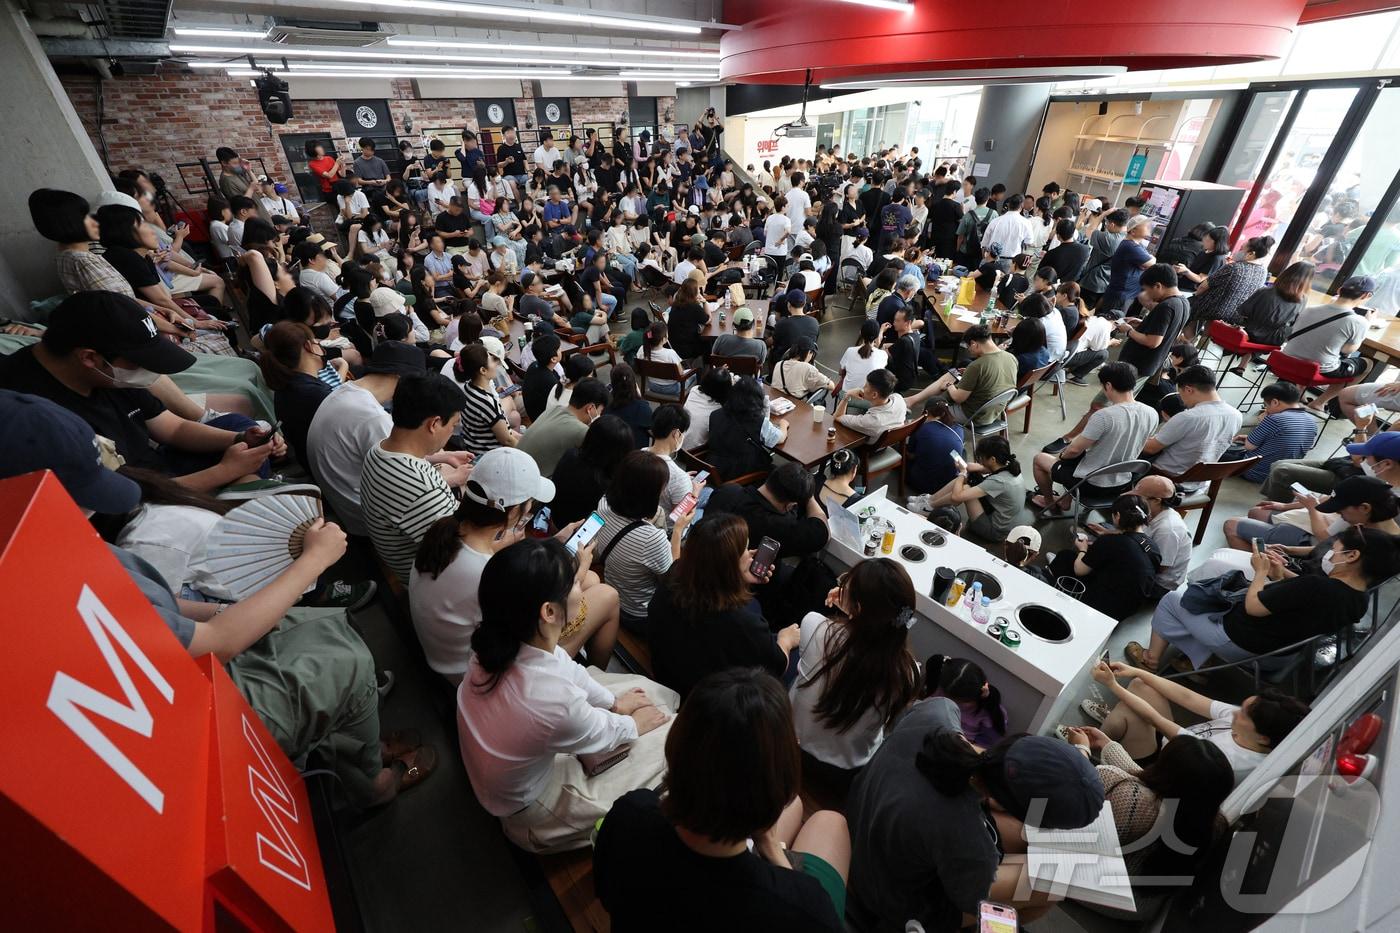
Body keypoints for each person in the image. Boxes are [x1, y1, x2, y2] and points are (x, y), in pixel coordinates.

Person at [0, 389, 438, 808]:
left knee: (316, 624)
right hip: (176, 722)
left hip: (172, 663)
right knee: (345, 658)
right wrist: (313, 561)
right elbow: (211, 643)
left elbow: (159, 608)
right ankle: (372, 783)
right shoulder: (68, 565)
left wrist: (239, 611)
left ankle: (344, 733)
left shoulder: (65, 546)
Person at [455, 537, 675, 853]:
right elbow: (599, 730)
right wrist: (635, 725)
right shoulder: (549, 699)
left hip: (519, 767)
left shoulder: (496, 644)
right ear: (548, 611)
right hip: (532, 808)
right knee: (672, 735)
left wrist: (615, 704)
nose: (579, 588)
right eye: (573, 584)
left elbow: (564, 666)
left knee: (647, 695)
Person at [593, 668, 848, 932]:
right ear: (779, 785)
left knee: (797, 808)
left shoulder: (631, 814)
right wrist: (774, 853)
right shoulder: (803, 907)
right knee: (830, 822)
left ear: (677, 746)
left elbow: (607, 892)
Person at [846, 697, 1104, 931]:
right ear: (1008, 806)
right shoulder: (969, 841)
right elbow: (971, 901)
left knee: (1022, 846)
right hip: (888, 898)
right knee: (1055, 882)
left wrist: (1077, 753)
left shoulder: (939, 711)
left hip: (862, 821)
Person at [0, 292, 277, 492]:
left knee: (239, 426)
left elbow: (174, 428)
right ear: (89, 358)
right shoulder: (32, 416)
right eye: (138, 362)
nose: (147, 371)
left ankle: (241, 489)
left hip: (155, 467)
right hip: (133, 499)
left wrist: (241, 440)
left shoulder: (107, 374)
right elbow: (128, 497)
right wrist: (224, 472)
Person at [411, 447, 619, 684]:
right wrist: (580, 569)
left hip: (448, 655)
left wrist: (555, 542)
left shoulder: (446, 529)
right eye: (529, 502)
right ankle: (596, 681)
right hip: (481, 676)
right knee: (607, 594)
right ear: (512, 513)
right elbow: (544, 615)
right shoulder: (489, 574)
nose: (530, 507)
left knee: (591, 580)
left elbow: (494, 555)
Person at [1130, 525, 1400, 674]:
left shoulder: (1317, 585)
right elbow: (1304, 599)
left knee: (1172, 599)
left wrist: (1260, 573)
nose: (1330, 554)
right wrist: (1280, 572)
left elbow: (1254, 607)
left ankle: (1151, 659)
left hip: (1243, 643)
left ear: (1352, 557)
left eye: (1336, 550)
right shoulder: (1359, 600)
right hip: (1282, 654)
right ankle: (1198, 659)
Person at [791, 559, 920, 792]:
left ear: (857, 608)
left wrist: (850, 614)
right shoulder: (908, 672)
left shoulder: (816, 626)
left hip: (796, 747)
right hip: (849, 771)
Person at [648, 514, 793, 699]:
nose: (750, 554)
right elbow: (777, 666)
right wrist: (786, 640)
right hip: (707, 700)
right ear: (728, 564)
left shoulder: (676, 573)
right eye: (745, 549)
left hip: (666, 673)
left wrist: (738, 577)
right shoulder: (744, 619)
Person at [1083, 662, 1309, 780]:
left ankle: (1087, 742)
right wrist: (1137, 672)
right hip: (1176, 745)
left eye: (1243, 714)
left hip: (1162, 768)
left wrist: (1112, 685)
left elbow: (1155, 718)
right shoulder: (1250, 727)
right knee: (1142, 685)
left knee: (1129, 710)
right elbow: (1189, 698)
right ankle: (1109, 730)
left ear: (1262, 737)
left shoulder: (1226, 760)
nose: (1236, 712)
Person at [359, 373, 471, 582]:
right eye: (453, 425)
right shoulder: (422, 489)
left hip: (404, 551)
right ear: (434, 424)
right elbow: (464, 553)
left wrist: (443, 457)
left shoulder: (380, 449)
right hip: (429, 578)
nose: (452, 431)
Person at [1032, 362, 1156, 511]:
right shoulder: (1151, 413)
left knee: (1041, 460)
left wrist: (1060, 457)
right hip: (1122, 483)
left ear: (1108, 386)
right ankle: (1065, 502)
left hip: (1091, 485)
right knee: (1081, 459)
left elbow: (1073, 450)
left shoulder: (1104, 416)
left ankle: (1048, 501)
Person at [593, 450, 696, 628]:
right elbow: (673, 581)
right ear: (650, 494)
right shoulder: (651, 539)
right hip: (638, 614)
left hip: (613, 589)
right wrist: (678, 530)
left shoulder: (603, 503)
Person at [1051, 494, 1161, 619]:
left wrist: (1083, 549)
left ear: (1118, 516)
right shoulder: (1153, 547)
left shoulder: (1109, 542)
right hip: (1127, 610)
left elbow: (1079, 570)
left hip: (1098, 607)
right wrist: (1110, 533)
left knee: (1065, 557)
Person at [259, 321, 341, 475]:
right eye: (317, 342)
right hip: (338, 474)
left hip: (319, 472)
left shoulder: (286, 389)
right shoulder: (316, 395)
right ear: (308, 347)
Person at [1142, 364, 1242, 489]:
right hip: (1201, 481)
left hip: (1166, 477)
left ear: (1189, 390)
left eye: (1180, 393)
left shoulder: (1189, 417)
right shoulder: (1236, 415)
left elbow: (1150, 449)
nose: (1182, 401)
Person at [1281, 275, 1373, 409]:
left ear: (1340, 290)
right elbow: (1348, 350)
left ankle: (1300, 392)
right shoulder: (1359, 322)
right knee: (1368, 364)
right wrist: (1368, 323)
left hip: (1286, 360)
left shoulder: (1310, 309)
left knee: (1315, 349)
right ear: (1366, 295)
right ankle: (1319, 403)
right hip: (1319, 370)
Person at [926, 435, 1032, 542]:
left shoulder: (998, 481)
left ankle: (928, 507)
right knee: (968, 480)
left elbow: (956, 496)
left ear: (993, 459)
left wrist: (962, 473)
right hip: (1004, 522)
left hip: (994, 531)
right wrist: (980, 468)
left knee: (965, 486)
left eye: (982, 458)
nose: (980, 461)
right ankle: (930, 500)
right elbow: (991, 470)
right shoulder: (1011, 467)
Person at [908, 324, 1016, 426]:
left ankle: (917, 428)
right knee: (953, 376)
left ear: (974, 344)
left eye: (969, 346)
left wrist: (949, 386)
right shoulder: (1011, 358)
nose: (969, 350)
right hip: (993, 412)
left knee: (934, 403)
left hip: (973, 415)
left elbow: (958, 398)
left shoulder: (977, 365)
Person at [1115, 264, 1191, 394]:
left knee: (1104, 403)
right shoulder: (1184, 302)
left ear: (1158, 286)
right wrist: (1144, 324)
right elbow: (1168, 331)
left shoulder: (1166, 306)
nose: (1148, 295)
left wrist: (1128, 330)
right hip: (1147, 365)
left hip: (1137, 364)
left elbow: (1153, 342)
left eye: (1147, 289)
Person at [550, 415, 635, 526]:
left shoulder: (571, 455)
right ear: (619, 454)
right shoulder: (606, 484)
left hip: (555, 519)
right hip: (578, 533)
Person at [1227, 382, 1318, 483]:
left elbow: (1249, 447)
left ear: (1275, 402)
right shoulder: (1312, 421)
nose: (1266, 409)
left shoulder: (1274, 418)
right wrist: (1251, 438)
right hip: (1282, 474)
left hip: (1254, 472)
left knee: (1217, 452)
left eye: (1266, 405)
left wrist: (1262, 422)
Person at [518, 377, 609, 477]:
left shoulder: (556, 408)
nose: (599, 415)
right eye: (600, 411)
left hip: (516, 466)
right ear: (590, 408)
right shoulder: (581, 431)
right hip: (532, 482)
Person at [1186, 235, 1274, 337]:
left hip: (1216, 310)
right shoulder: (1263, 271)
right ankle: (1204, 340)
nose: (1238, 251)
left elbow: (1203, 286)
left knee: (1191, 305)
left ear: (1251, 254)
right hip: (1237, 315)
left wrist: (1195, 295)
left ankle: (1187, 341)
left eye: (1241, 249)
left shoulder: (1234, 267)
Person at [706, 375, 786, 480]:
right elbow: (779, 438)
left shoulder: (715, 414)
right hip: (738, 471)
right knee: (777, 471)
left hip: (715, 465)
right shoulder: (757, 421)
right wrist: (783, 425)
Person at [923, 655, 1008, 750]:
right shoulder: (935, 688)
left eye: (958, 703)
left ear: (976, 696)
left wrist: (964, 746)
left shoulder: (989, 712)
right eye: (947, 699)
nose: (951, 705)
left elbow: (989, 745)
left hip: (962, 750)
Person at [1236, 260, 1314, 351]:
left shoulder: (1264, 291)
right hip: (1274, 339)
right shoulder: (1303, 300)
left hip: (1248, 332)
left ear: (1286, 273)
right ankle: (1247, 359)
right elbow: (1293, 322)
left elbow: (1243, 311)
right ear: (1307, 282)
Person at [905, 399, 966, 496]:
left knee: (899, 449)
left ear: (926, 412)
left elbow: (910, 455)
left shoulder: (921, 428)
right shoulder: (959, 428)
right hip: (949, 486)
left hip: (923, 485)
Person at [834, 369, 907, 441]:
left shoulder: (870, 421)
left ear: (874, 395)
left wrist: (847, 395)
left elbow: (837, 417)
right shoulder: (899, 399)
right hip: (890, 442)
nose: (863, 388)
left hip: (863, 448)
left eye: (866, 386)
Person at [1078, 208, 1128, 307]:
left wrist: (1103, 214)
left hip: (1093, 282)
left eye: (1107, 223)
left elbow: (1089, 230)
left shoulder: (1109, 239)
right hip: (1107, 283)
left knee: (1082, 310)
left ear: (1112, 224)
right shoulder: (1127, 239)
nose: (1106, 226)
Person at [1171, 224, 1232, 294]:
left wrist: (1186, 271)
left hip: (1190, 290)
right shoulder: (1205, 251)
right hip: (1183, 284)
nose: (1204, 241)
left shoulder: (1216, 259)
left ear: (1217, 243)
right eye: (1205, 238)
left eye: (1208, 240)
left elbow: (1200, 279)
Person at [681, 365, 731, 449]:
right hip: (696, 453)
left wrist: (717, 374)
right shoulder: (719, 411)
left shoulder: (694, 390)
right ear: (726, 390)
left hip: (677, 445)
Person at [836, 319, 888, 397]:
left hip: (848, 394)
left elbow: (840, 372)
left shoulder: (850, 351)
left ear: (860, 332)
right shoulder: (882, 354)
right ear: (876, 337)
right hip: (868, 397)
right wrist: (881, 332)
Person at [773, 339, 834, 403]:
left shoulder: (779, 364)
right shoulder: (808, 368)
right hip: (797, 406)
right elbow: (832, 386)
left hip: (776, 402)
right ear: (809, 353)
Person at [770, 290, 820, 364]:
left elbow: (775, 342)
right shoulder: (814, 322)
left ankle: (772, 374)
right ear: (804, 303)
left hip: (784, 363)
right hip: (806, 362)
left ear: (789, 304)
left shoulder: (782, 323)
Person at [1040, 218, 1091, 284]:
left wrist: (1044, 257)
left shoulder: (1052, 253)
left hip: (1054, 287)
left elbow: (1041, 272)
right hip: (1071, 287)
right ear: (1073, 233)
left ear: (1058, 236)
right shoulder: (1085, 250)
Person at [1007, 316, 1050, 380]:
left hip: (1010, 383)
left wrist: (999, 350)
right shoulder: (1045, 351)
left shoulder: (1021, 359)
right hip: (1026, 382)